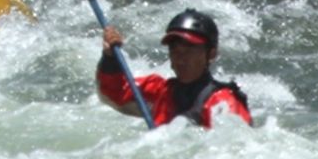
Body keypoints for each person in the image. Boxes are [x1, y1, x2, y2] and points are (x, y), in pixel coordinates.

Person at [97, 9, 253, 128]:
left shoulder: (223, 102)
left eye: (190, 49)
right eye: (175, 50)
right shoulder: (160, 90)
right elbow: (112, 92)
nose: (181, 57)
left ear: (211, 54)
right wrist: (110, 57)